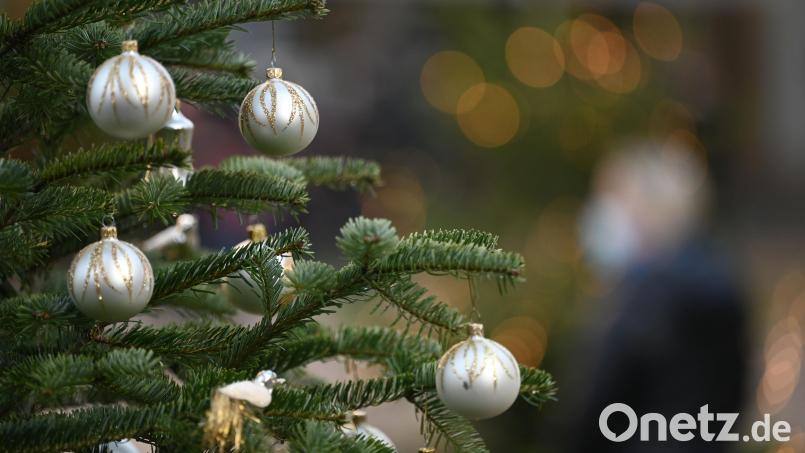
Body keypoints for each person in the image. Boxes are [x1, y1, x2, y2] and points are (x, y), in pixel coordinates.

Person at [567, 141, 749, 452]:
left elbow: (598, 406)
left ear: (649, 207)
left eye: (614, 198)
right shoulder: (721, 280)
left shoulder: (646, 296)